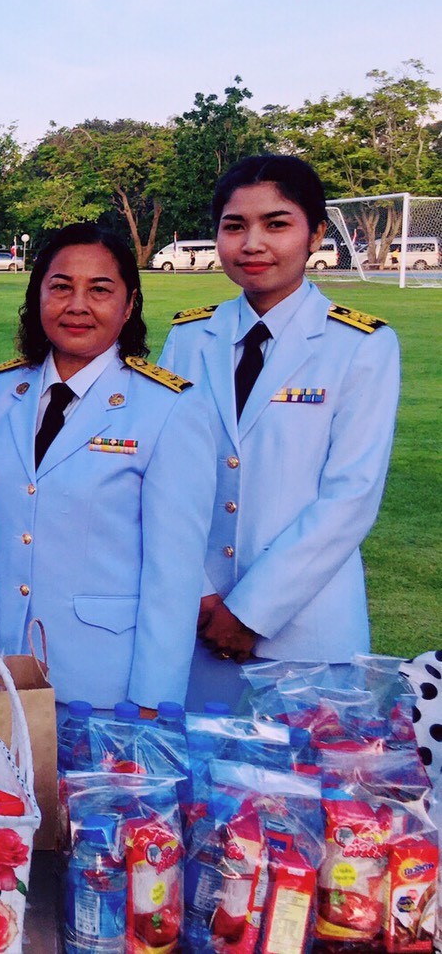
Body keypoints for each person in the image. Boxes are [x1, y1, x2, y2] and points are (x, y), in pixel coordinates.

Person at [159, 154, 401, 709]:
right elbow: (167, 476)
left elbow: (350, 498)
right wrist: (199, 593)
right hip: (194, 621)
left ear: (315, 233)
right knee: (199, 788)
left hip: (307, 632)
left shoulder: (361, 345)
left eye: (277, 223)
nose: (252, 244)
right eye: (234, 226)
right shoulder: (190, 338)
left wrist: (249, 611)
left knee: (306, 791)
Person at [0, 224, 215, 710]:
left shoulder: (167, 408)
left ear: (128, 306)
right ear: (37, 297)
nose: (77, 305)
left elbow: (175, 575)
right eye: (60, 287)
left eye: (100, 290)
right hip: (0, 667)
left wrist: (152, 700)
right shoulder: (2, 392)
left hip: (105, 680)